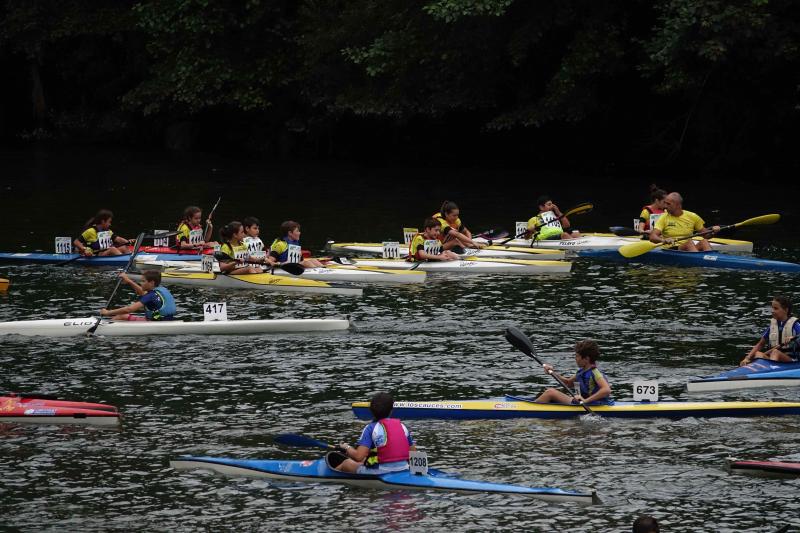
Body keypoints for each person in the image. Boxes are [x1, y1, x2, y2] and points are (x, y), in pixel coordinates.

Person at [331, 392, 416, 474]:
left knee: (347, 463)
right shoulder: (402, 426)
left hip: (382, 472)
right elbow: (413, 454)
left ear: (372, 411)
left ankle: (329, 475)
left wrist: (347, 447)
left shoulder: (370, 428)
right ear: (391, 410)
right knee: (364, 460)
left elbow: (358, 456)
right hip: (404, 469)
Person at [535, 340, 612, 405]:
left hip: (596, 405)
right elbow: (568, 383)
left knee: (550, 392)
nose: (575, 359)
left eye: (577, 356)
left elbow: (606, 390)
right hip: (582, 403)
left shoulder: (595, 373)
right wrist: (552, 372)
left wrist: (585, 401)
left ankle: (531, 409)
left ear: (586, 359)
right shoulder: (581, 372)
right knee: (548, 391)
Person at [649, 192, 721, 252]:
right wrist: (663, 240)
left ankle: (711, 261)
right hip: (671, 249)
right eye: (665, 203)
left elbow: (706, 235)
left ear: (678, 205)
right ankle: (699, 265)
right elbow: (652, 237)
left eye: (668, 204)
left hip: (689, 249)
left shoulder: (692, 216)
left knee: (704, 242)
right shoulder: (663, 217)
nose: (665, 206)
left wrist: (713, 232)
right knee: (689, 243)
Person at [740, 296, 800, 366]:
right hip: (774, 359)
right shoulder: (773, 326)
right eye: (772, 308)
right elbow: (760, 344)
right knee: (758, 354)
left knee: (775, 352)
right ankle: (756, 371)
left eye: (776, 308)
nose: (772, 311)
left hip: (792, 362)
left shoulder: (795, 324)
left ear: (786, 310)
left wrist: (793, 337)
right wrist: (747, 358)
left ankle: (771, 372)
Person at [99, 270, 176, 321]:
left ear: (152, 283)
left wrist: (107, 312)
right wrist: (128, 281)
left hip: (155, 323)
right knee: (124, 316)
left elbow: (129, 309)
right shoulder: (161, 290)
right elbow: (141, 292)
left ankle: (105, 327)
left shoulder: (150, 295)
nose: (141, 283)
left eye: (143, 281)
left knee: (122, 316)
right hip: (165, 320)